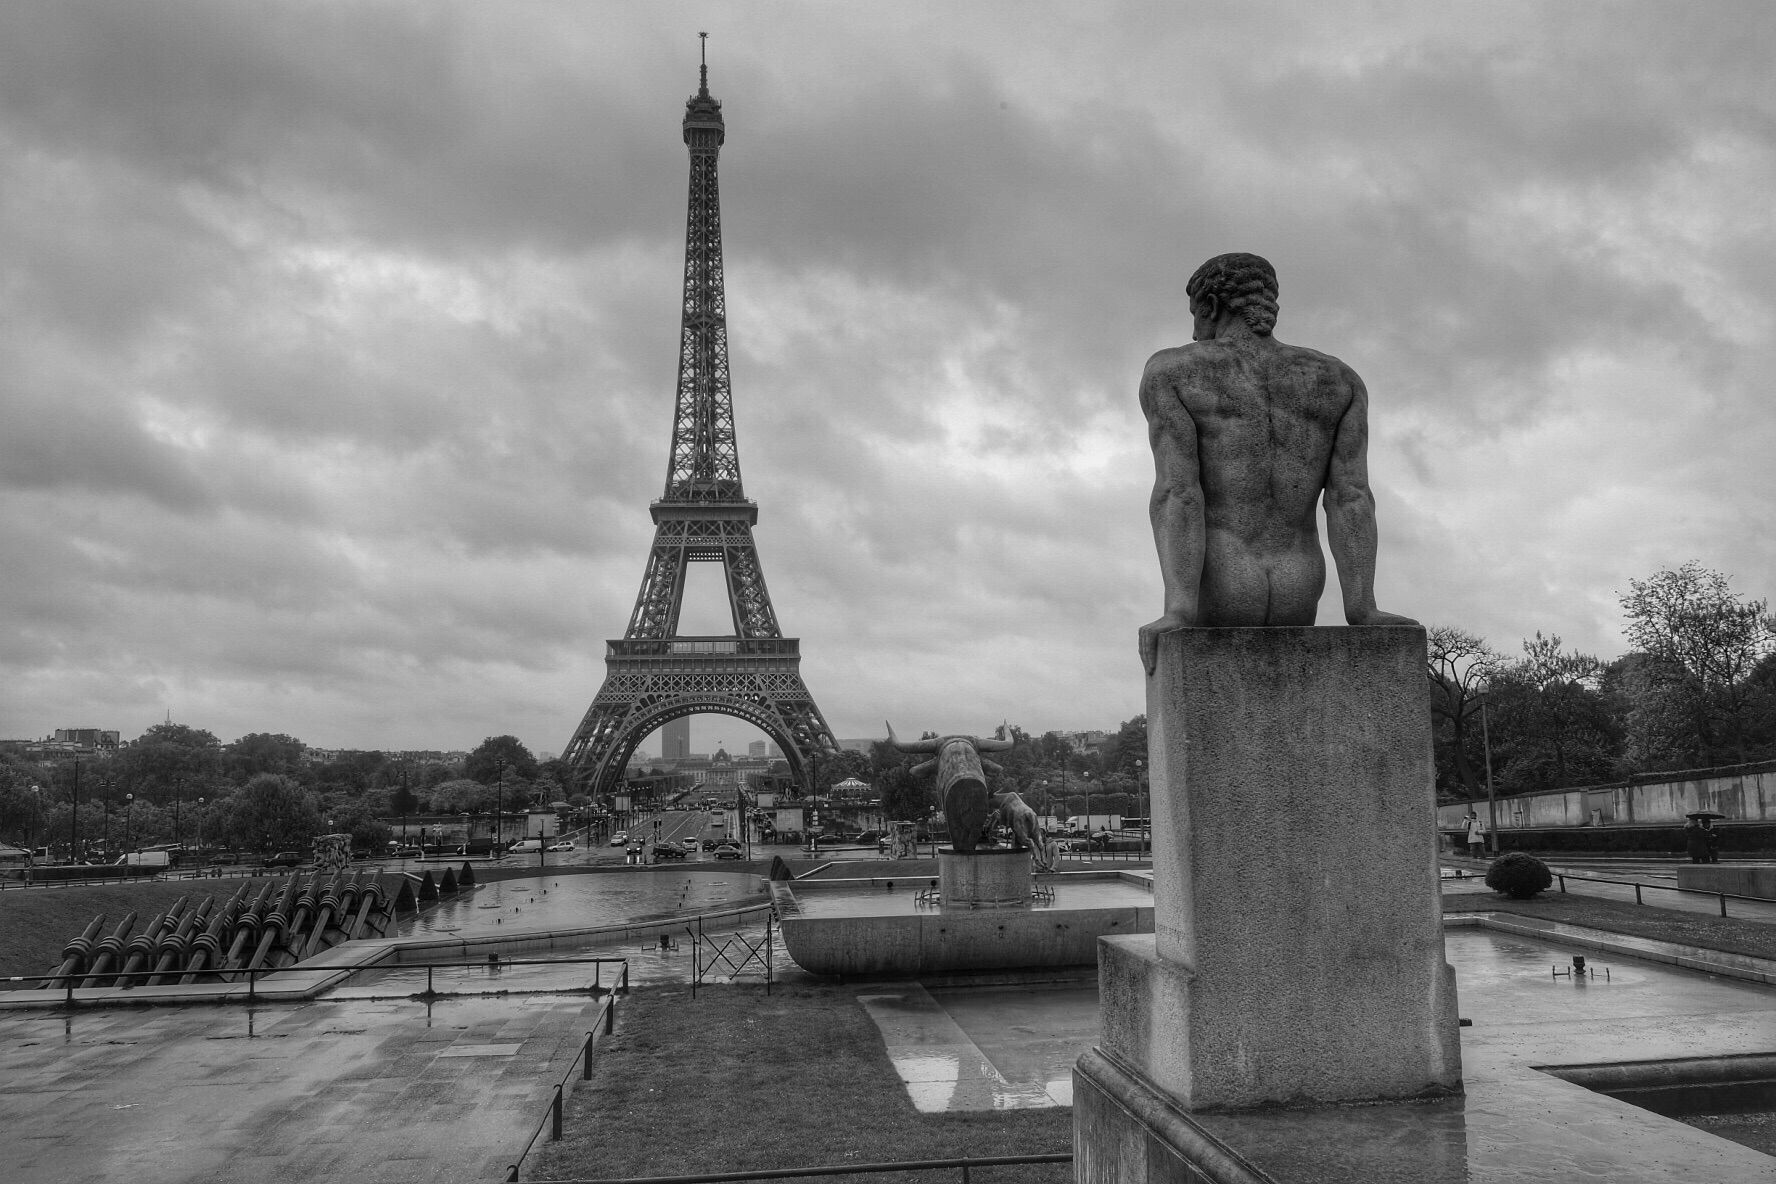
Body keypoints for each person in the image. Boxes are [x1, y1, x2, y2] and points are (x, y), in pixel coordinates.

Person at [1138, 253, 1417, 675]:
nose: (1195, 332)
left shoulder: (1174, 372)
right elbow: (1350, 496)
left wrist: (1178, 609)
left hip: (1223, 584)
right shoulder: (1338, 380)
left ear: (1211, 306)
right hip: (1300, 586)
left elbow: (1179, 493)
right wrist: (1363, 609)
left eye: (1195, 315)